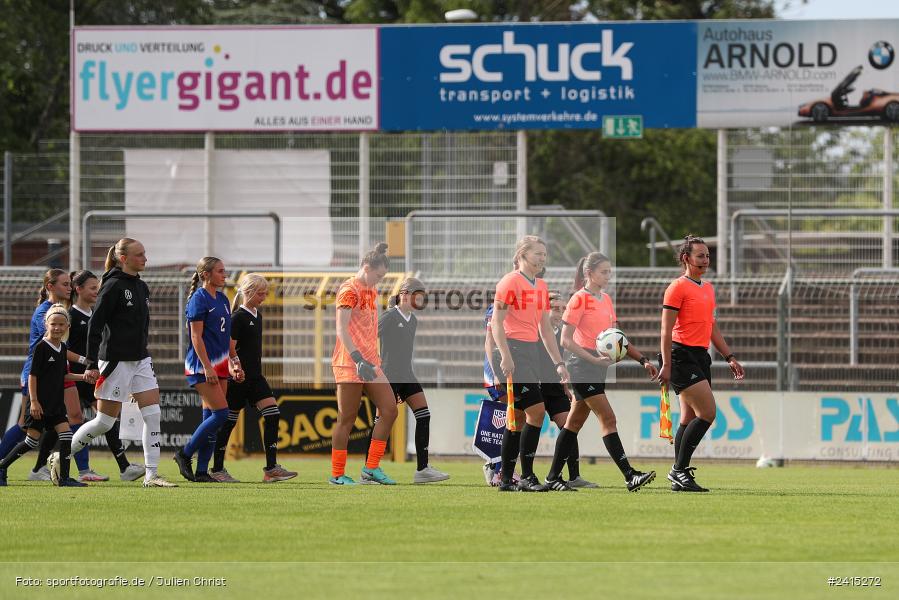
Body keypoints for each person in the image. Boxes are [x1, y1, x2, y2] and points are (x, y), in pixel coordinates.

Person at [68, 238, 177, 487]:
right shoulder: (113, 286)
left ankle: (151, 475)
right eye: (139, 255)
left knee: (153, 414)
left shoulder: (142, 287)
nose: (145, 259)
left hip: (140, 359)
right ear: (123, 258)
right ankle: (61, 456)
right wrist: (92, 363)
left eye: (145, 253)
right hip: (115, 361)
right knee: (104, 422)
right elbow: (95, 326)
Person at [547, 252, 658, 492]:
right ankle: (630, 476)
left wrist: (643, 360)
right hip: (581, 367)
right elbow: (566, 341)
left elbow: (618, 339)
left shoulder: (606, 299)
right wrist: (593, 360)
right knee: (608, 419)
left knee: (573, 423)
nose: (609, 276)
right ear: (589, 274)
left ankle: (552, 477)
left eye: (610, 271)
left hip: (595, 369)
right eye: (604, 272)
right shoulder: (578, 299)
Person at [656, 235, 745, 492]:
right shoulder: (677, 287)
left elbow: (711, 326)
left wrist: (729, 356)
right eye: (700, 256)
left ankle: (679, 474)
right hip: (679, 355)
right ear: (686, 258)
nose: (706, 260)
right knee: (708, 413)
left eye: (707, 255)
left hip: (699, 356)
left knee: (689, 416)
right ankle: (678, 470)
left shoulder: (707, 288)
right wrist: (667, 364)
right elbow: (665, 329)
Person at [491, 235, 573, 492]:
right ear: (523, 254)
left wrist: (559, 363)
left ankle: (506, 480)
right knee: (536, 411)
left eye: (544, 254)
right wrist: (505, 355)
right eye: (538, 253)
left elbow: (545, 329)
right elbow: (496, 322)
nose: (542, 258)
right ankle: (526, 476)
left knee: (516, 419)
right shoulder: (509, 281)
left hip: (530, 353)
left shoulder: (541, 285)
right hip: (513, 351)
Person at [210, 273, 296, 483]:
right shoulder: (238, 317)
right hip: (238, 379)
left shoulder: (257, 315)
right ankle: (217, 468)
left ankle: (271, 469)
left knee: (273, 414)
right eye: (260, 293)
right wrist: (236, 367)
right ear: (248, 292)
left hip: (256, 377)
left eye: (266, 293)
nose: (264, 297)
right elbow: (229, 347)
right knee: (228, 423)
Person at [59, 270, 143, 483]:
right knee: (62, 423)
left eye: (98, 287)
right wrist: (85, 362)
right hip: (76, 377)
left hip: (94, 374)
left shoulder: (97, 313)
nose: (97, 291)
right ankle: (54, 462)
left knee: (105, 421)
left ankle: (122, 467)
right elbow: (60, 348)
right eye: (92, 288)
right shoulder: (70, 316)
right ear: (78, 290)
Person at [329, 242, 398, 486]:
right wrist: (357, 358)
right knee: (347, 419)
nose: (378, 281)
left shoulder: (371, 289)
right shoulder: (349, 289)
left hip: (372, 362)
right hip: (350, 362)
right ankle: (337, 474)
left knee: (390, 409)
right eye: (378, 275)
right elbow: (341, 329)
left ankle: (371, 468)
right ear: (366, 268)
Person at [0, 305, 90, 487]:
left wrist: (83, 377)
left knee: (66, 436)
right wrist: (33, 401)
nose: (57, 328)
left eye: (61, 324)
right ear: (46, 324)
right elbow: (32, 376)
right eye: (53, 324)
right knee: (31, 441)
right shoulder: (41, 347)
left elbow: (62, 375)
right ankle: (2, 467)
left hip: (56, 404)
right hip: (39, 404)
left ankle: (64, 479)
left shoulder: (62, 348)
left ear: (67, 327)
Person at [172, 257, 244, 483]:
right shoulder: (198, 299)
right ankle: (184, 454)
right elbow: (195, 337)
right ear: (206, 274)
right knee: (221, 414)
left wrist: (234, 361)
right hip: (202, 366)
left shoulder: (223, 299)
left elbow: (225, 337)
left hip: (220, 365)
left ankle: (202, 471)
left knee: (212, 417)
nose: (225, 275)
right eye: (220, 271)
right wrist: (207, 366)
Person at [0, 269, 72, 481]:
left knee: (62, 429)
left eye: (70, 284)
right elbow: (44, 351)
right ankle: (4, 465)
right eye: (65, 284)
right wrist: (85, 361)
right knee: (26, 427)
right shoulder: (46, 314)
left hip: (52, 384)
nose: (69, 288)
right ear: (50, 286)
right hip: (37, 379)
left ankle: (61, 475)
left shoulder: (58, 316)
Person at [378, 277, 449, 484]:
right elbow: (368, 337)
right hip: (389, 376)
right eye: (419, 296)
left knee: (424, 415)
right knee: (381, 422)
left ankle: (422, 469)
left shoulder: (413, 320)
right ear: (405, 294)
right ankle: (370, 468)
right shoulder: (389, 317)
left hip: (407, 375)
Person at [537, 289, 598, 489]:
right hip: (535, 386)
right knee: (523, 429)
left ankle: (574, 476)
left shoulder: (562, 334)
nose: (560, 313)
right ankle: (513, 473)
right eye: (555, 308)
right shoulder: (536, 332)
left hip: (555, 388)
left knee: (569, 427)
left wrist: (565, 386)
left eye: (563, 309)